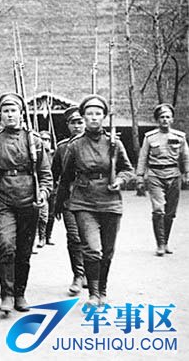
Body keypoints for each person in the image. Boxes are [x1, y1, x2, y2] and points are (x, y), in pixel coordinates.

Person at [55, 95, 134, 307]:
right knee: (92, 249)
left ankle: (103, 290)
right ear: (83, 117)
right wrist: (59, 203)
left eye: (98, 114)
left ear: (104, 117)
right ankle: (93, 293)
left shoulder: (114, 143)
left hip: (110, 201)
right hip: (84, 201)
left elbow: (128, 170)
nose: (93, 117)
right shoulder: (75, 145)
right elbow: (66, 176)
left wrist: (120, 180)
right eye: (89, 114)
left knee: (107, 251)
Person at [0, 93, 52, 314]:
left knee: (24, 250)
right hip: (1, 199)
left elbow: (45, 174)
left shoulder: (34, 141)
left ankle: (20, 293)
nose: (10, 115)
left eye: (14, 111)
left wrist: (43, 192)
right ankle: (7, 294)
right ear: (0, 115)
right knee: (6, 245)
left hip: (29, 200)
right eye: (6, 111)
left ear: (21, 114)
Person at [136, 103, 189, 256]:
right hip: (155, 175)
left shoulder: (179, 137)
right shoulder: (150, 137)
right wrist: (140, 177)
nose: (165, 119)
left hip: (174, 175)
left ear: (172, 119)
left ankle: (165, 242)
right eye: (162, 117)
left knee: (170, 212)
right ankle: (159, 244)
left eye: (167, 117)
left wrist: (187, 173)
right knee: (158, 209)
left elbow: (185, 156)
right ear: (157, 120)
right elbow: (143, 157)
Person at [51, 106, 86, 296]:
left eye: (80, 121)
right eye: (73, 122)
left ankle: (90, 272)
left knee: (90, 239)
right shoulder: (62, 148)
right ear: (68, 125)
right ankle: (78, 275)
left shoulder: (97, 143)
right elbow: (54, 175)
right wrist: (56, 201)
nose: (77, 126)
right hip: (70, 199)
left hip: (93, 198)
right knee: (74, 237)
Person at [36, 130, 56, 248]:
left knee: (51, 214)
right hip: (40, 187)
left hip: (53, 188)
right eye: (43, 139)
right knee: (41, 214)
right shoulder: (36, 154)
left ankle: (48, 236)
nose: (45, 142)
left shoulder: (54, 154)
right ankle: (41, 237)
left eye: (47, 139)